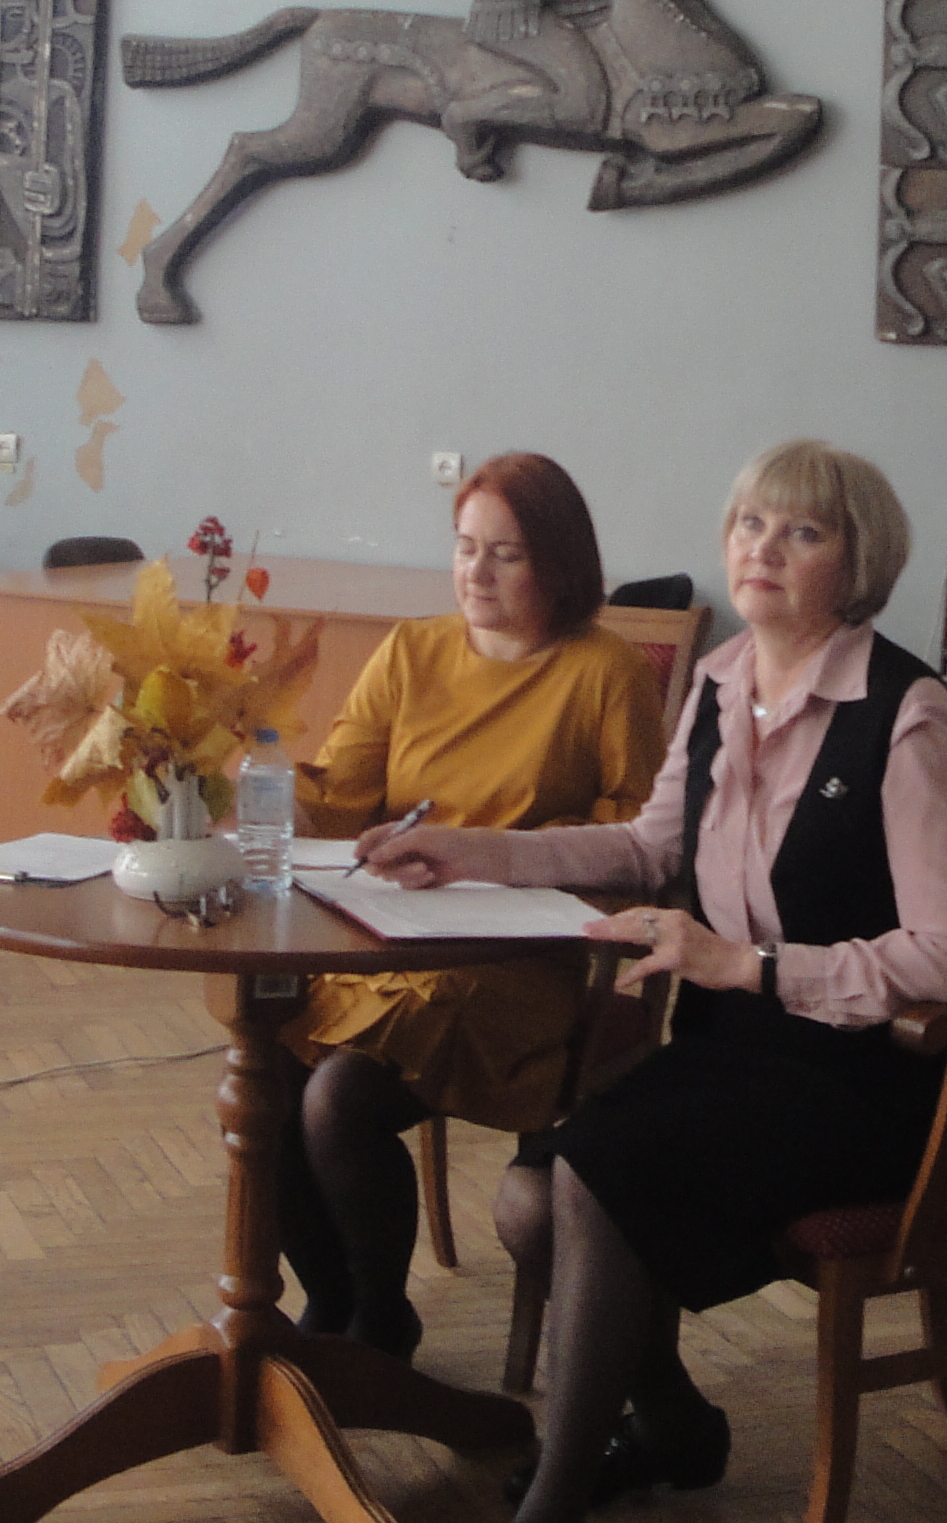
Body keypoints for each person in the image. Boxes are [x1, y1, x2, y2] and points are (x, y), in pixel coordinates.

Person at [360, 440, 947, 1523]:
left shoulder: (909, 716)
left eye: (801, 533)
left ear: (858, 562)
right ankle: (670, 1421)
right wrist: (475, 852)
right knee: (531, 1199)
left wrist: (750, 967)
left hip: (871, 1077)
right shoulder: (717, 682)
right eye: (750, 525)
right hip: (734, 1053)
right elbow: (648, 850)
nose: (763, 550)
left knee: (592, 1176)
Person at [275, 453, 670, 1361]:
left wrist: (495, 859)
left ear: (560, 564)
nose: (475, 574)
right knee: (265, 1076)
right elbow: (339, 793)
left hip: (517, 964)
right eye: (464, 548)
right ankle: (329, 1301)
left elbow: (638, 845)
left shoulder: (605, 671)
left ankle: (382, 1326)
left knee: (338, 1097)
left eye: (506, 555)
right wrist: (240, 796)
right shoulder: (411, 652)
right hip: (388, 940)